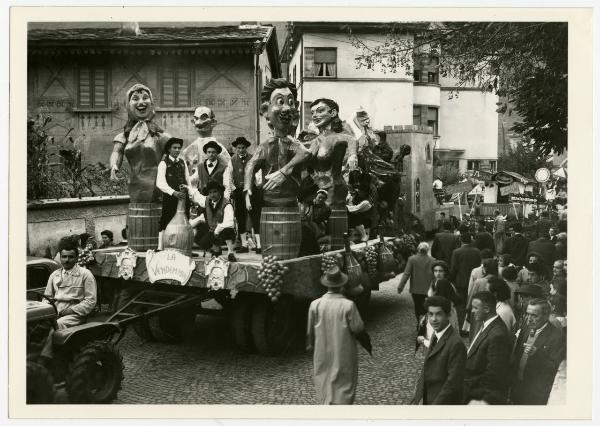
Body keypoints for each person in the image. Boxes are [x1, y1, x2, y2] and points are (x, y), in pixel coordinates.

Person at [244, 78, 310, 210]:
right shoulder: (265, 146)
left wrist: (284, 172)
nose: (286, 108)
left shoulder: (292, 143)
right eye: (280, 102)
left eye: (290, 102)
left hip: (291, 201)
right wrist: (247, 190)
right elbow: (251, 165)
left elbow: (305, 153)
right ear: (266, 111)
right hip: (268, 202)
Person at [307, 266, 366, 405]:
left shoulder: (315, 305)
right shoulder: (348, 305)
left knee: (323, 377)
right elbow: (358, 328)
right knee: (344, 380)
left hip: (321, 350)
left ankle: (326, 406)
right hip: (343, 349)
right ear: (342, 285)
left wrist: (310, 345)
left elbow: (310, 332)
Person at [110, 83, 171, 203]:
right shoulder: (123, 137)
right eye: (135, 99)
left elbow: (177, 154)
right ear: (128, 105)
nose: (141, 102)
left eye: (145, 97)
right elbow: (116, 153)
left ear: (152, 103)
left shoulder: (162, 137)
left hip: (157, 187)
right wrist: (114, 166)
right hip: (134, 186)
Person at [40, 236, 98, 361]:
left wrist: (70, 311)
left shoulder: (85, 275)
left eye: (71, 257)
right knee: (36, 326)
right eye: (64, 257)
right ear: (60, 257)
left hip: (75, 314)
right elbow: (47, 297)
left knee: (56, 326)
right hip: (55, 311)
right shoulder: (54, 275)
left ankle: (46, 359)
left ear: (76, 258)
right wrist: (47, 311)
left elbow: (90, 300)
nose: (67, 260)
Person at [412, 296, 467, 405]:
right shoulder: (435, 334)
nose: (433, 319)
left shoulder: (456, 344)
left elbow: (453, 384)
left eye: (439, 314)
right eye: (430, 314)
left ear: (448, 315)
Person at [510, 299, 566, 405]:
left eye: (534, 316)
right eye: (527, 314)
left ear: (546, 316)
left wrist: (538, 355)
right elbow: (517, 355)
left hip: (536, 392)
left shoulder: (556, 337)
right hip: (518, 386)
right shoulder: (526, 328)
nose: (529, 319)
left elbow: (554, 368)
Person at [464, 291, 511, 405]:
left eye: (475, 308)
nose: (472, 311)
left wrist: (480, 398)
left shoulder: (497, 334)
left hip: (476, 394)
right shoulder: (487, 323)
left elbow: (494, 373)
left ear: (486, 309)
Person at [155, 137, 192, 248]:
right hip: (170, 197)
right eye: (174, 148)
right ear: (169, 149)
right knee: (166, 220)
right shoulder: (163, 163)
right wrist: (173, 192)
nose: (177, 150)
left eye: (179, 148)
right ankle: (160, 247)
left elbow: (187, 179)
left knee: (184, 220)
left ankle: (182, 246)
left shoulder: (182, 162)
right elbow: (160, 183)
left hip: (183, 198)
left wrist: (189, 193)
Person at [182, 106, 231, 188]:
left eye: (203, 118)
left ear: (213, 122)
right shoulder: (189, 149)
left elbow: (229, 168)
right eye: (196, 118)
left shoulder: (219, 148)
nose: (198, 122)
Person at [187, 180, 237, 262]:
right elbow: (197, 196)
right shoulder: (207, 200)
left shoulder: (227, 205)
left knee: (228, 230)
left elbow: (230, 223)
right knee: (200, 240)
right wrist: (188, 187)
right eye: (210, 192)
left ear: (219, 192)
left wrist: (217, 231)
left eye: (215, 192)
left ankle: (230, 253)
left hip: (223, 230)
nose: (212, 195)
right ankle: (216, 249)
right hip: (212, 230)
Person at [226, 136, 257, 254]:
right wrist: (232, 189)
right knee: (240, 216)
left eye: (243, 147)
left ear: (246, 148)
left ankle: (255, 242)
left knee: (253, 214)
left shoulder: (252, 158)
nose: (241, 150)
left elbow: (257, 174)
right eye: (238, 148)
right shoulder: (232, 160)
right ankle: (244, 244)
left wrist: (255, 187)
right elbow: (229, 176)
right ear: (236, 149)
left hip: (250, 191)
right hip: (238, 191)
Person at [449, 233, 482, 328]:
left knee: (461, 306)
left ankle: (461, 326)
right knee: (473, 304)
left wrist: (452, 281)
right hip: (475, 281)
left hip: (461, 282)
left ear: (461, 241)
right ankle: (471, 326)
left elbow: (454, 268)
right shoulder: (477, 251)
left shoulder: (456, 252)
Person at [398, 242, 435, 324]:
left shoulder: (412, 259)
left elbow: (406, 274)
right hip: (429, 290)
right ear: (427, 250)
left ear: (418, 249)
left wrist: (400, 287)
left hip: (416, 290)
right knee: (428, 307)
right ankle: (428, 324)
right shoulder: (433, 260)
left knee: (418, 307)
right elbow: (434, 276)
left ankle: (420, 323)